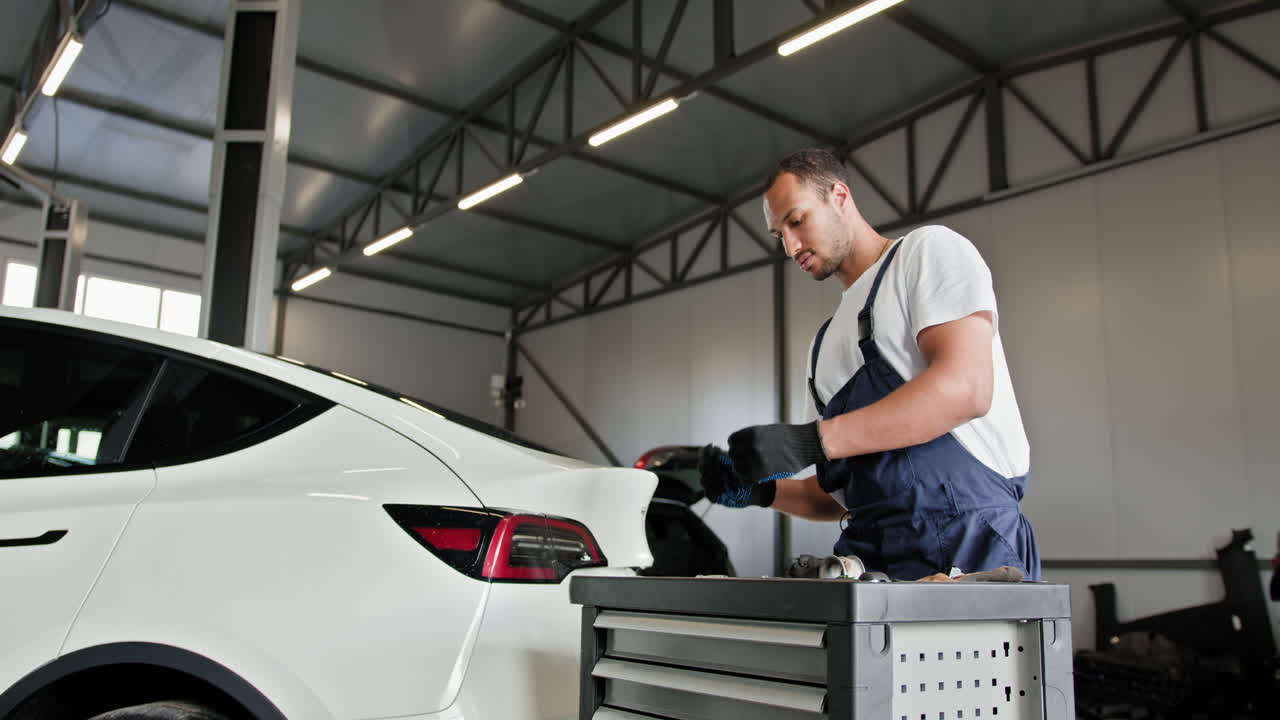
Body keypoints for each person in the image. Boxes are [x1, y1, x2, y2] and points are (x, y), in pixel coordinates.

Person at [698, 148, 1040, 581]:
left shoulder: (926, 254)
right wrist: (760, 491)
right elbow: (841, 495)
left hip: (967, 544)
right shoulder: (822, 347)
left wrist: (812, 442)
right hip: (870, 558)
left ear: (839, 195)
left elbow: (965, 388)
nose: (790, 246)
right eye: (778, 234)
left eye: (797, 221)